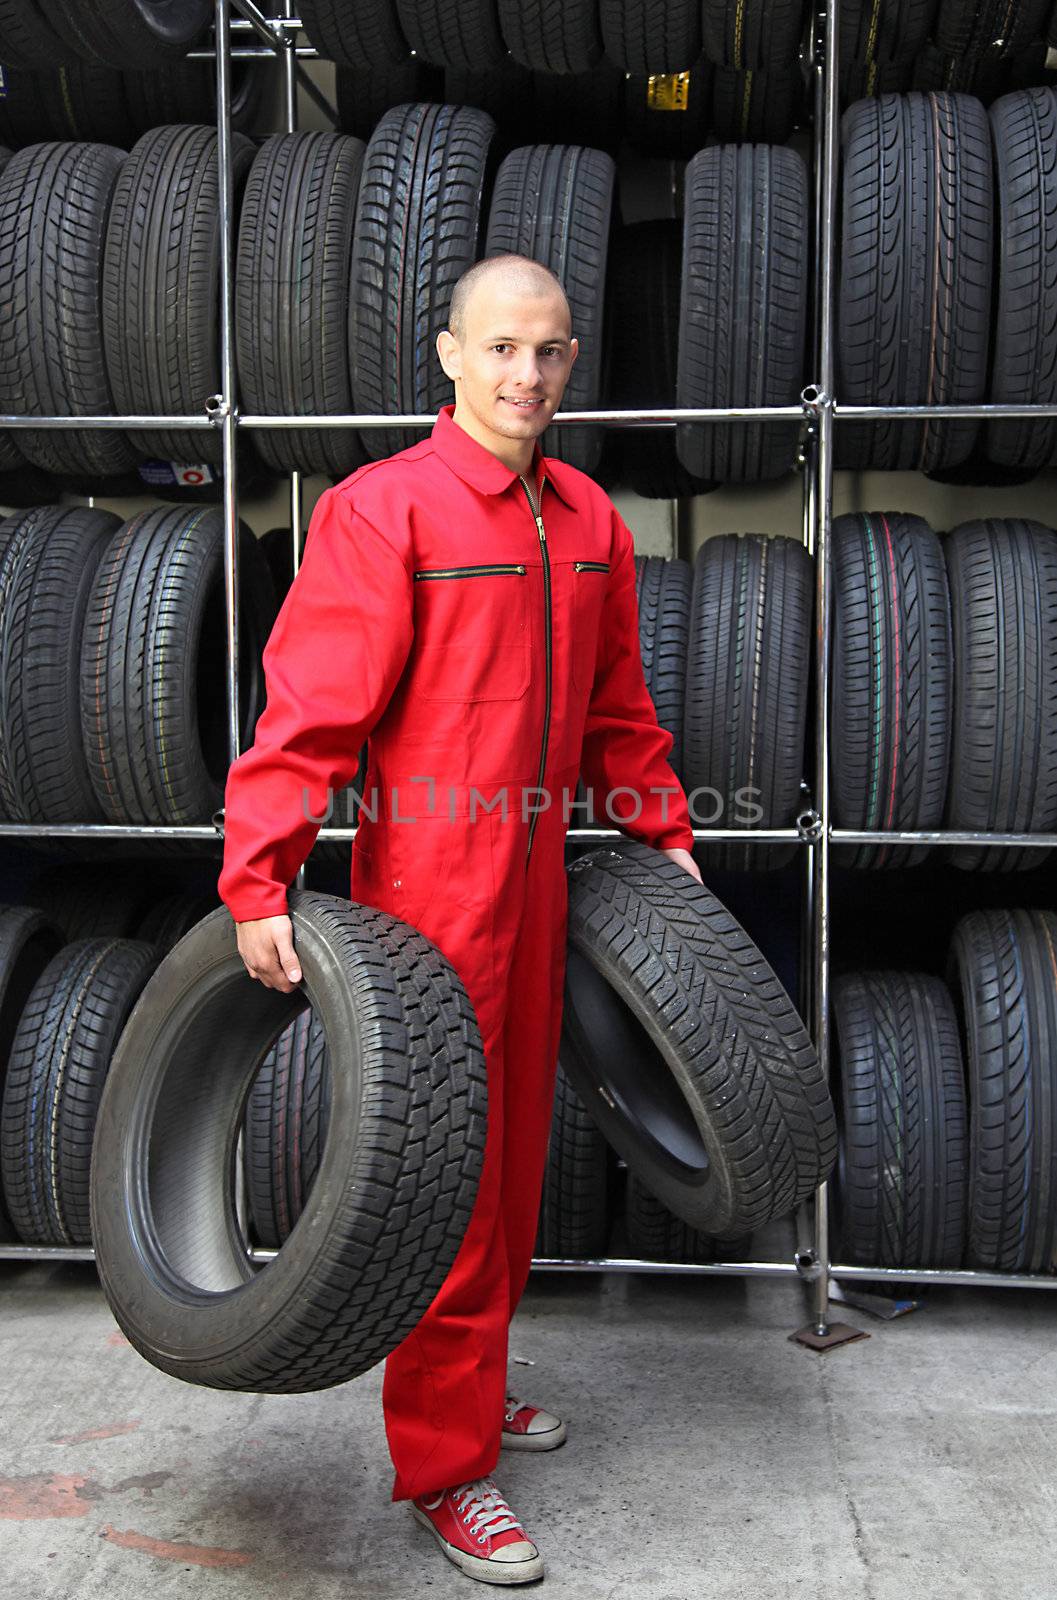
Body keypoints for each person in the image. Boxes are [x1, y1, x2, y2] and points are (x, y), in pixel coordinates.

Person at [217, 252, 702, 1587]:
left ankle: (474, 1398)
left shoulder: (590, 517)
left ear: (570, 356)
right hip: (424, 893)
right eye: (498, 349)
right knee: (444, 1182)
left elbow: (615, 707)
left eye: (547, 351)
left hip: (538, 874)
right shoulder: (389, 515)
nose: (524, 376)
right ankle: (444, 1468)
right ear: (446, 354)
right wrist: (260, 875)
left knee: (515, 1154)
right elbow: (310, 708)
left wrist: (661, 830)